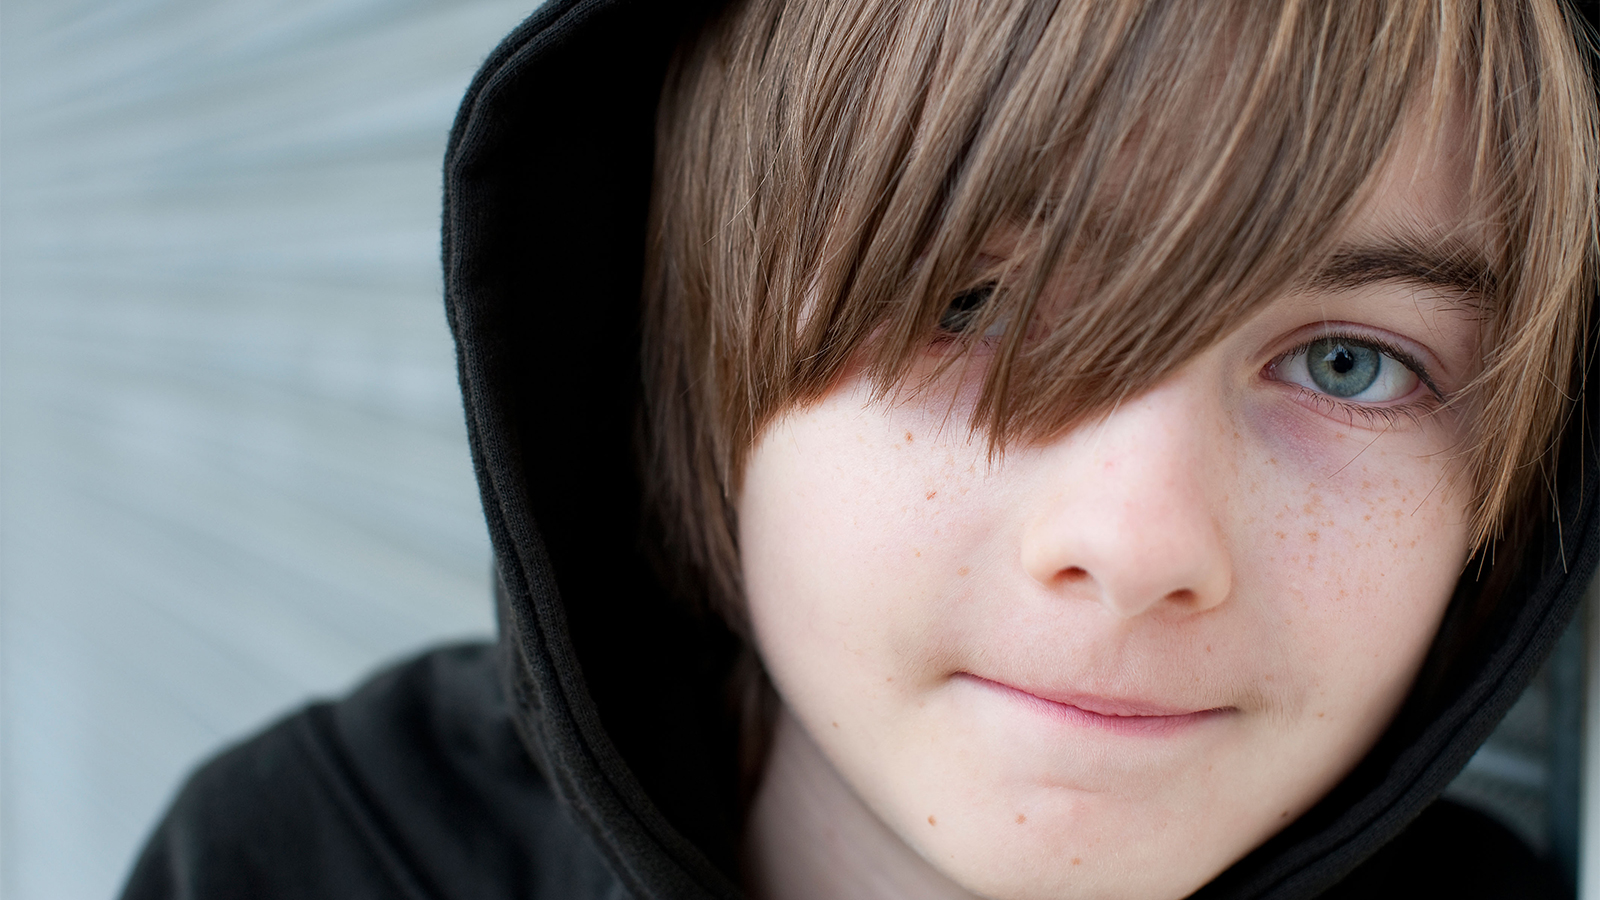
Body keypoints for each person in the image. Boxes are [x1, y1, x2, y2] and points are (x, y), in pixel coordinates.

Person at [120, 1, 1600, 898]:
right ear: (689, 336)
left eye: (1349, 363)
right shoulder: (317, 854)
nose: (1138, 543)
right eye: (967, 304)